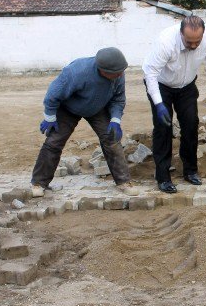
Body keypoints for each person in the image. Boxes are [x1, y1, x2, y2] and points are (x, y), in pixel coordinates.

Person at [32, 47, 135, 195]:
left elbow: (118, 99)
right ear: (102, 70)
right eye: (117, 73)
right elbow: (52, 94)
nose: (120, 75)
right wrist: (50, 117)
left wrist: (115, 120)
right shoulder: (77, 71)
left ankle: (124, 182)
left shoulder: (118, 73)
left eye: (121, 71)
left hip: (98, 107)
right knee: (54, 142)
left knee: (111, 139)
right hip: (69, 108)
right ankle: (38, 184)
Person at [143, 15, 206, 194]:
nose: (193, 46)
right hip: (161, 85)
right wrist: (159, 104)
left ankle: (191, 171)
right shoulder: (165, 43)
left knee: (191, 124)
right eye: (189, 42)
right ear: (180, 34)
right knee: (163, 128)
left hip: (186, 86)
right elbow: (150, 74)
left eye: (197, 42)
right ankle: (162, 177)